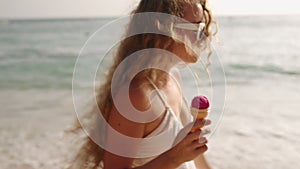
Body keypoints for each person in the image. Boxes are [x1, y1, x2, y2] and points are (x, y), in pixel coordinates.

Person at [68, 0, 217, 168]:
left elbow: (195, 157)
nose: (204, 37)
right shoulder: (136, 96)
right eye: (197, 29)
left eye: (203, 27)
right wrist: (174, 158)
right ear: (166, 30)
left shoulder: (172, 78)